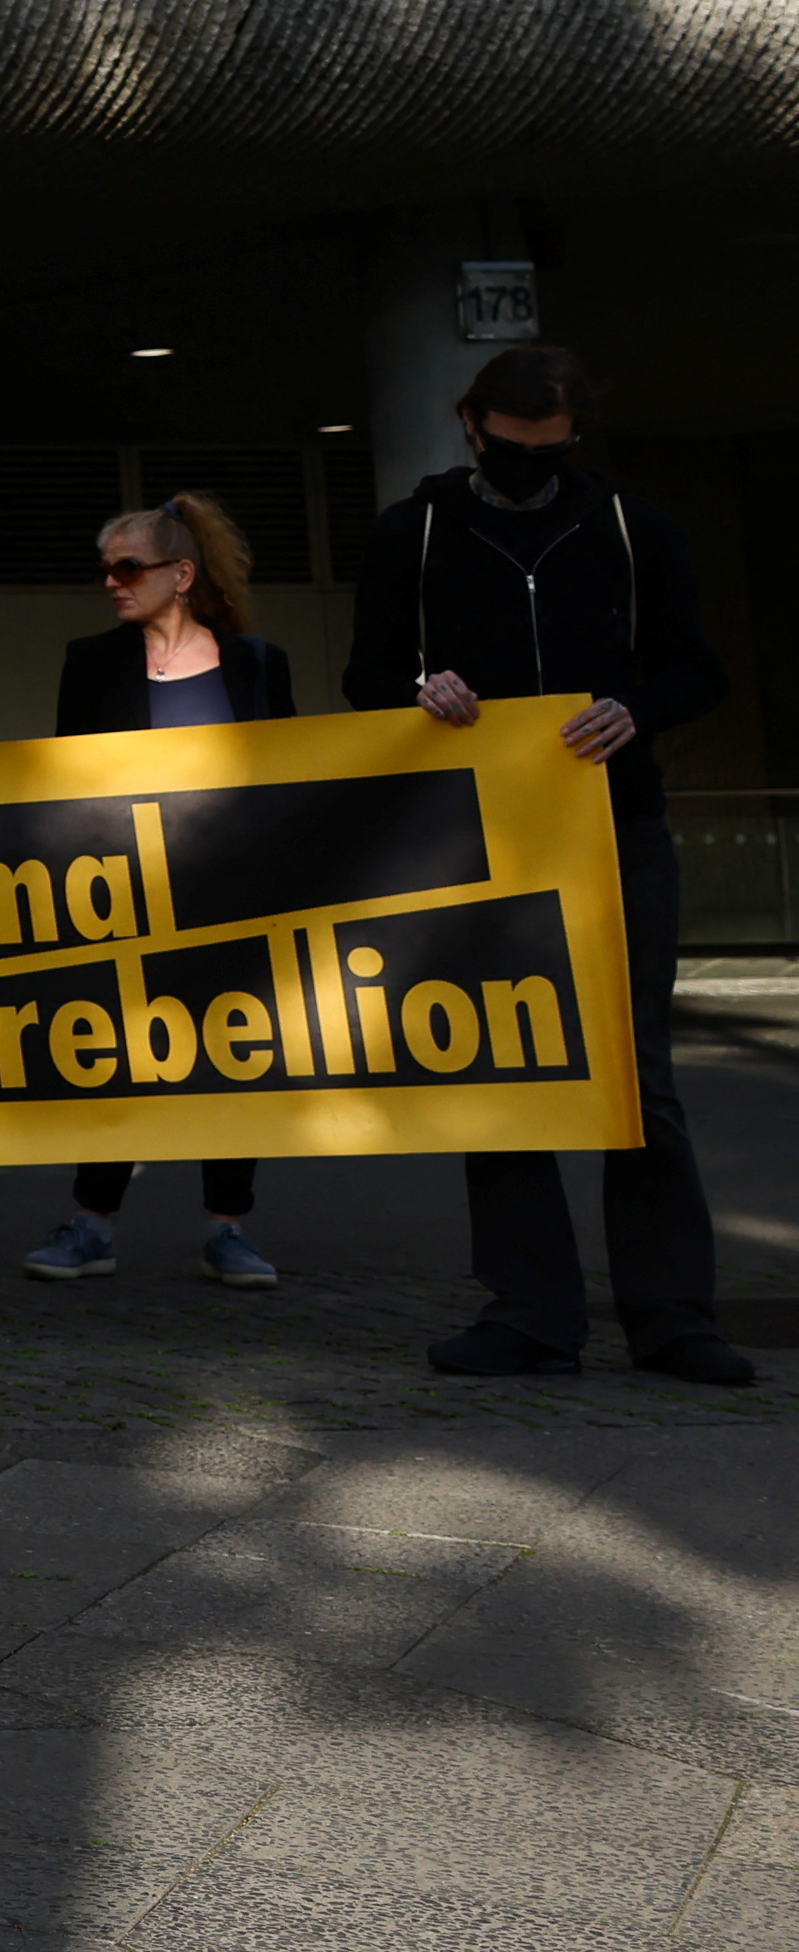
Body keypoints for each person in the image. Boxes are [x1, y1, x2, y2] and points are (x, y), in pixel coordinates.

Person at [345, 344, 753, 1386]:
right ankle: (529, 1308)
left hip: (616, 826)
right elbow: (368, 670)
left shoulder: (629, 527)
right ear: (470, 423)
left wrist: (635, 707)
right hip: (475, 834)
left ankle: (670, 1314)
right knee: (504, 1065)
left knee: (634, 1070)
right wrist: (419, 692)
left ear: (577, 440)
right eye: (513, 447)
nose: (532, 466)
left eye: (554, 450)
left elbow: (695, 667)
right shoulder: (418, 530)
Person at [21, 493, 296, 1290]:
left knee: (237, 1055)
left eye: (128, 567)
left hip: (234, 894)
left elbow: (293, 774)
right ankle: (92, 1222)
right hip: (123, 897)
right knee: (115, 1056)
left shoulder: (256, 665)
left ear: (181, 574)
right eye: (106, 569)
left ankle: (228, 1227)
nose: (112, 582)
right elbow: (69, 782)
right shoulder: (92, 660)